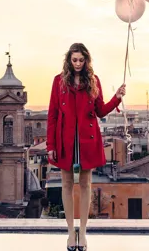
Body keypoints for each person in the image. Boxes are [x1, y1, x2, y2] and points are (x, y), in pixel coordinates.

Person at [46, 43, 126, 251]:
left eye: (81, 60)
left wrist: (116, 97)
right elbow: (52, 115)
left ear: (86, 60)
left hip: (87, 139)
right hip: (64, 139)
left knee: (85, 184)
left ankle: (83, 232)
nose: (78, 64)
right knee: (66, 184)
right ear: (69, 60)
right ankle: (70, 233)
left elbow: (100, 111)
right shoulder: (58, 82)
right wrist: (50, 145)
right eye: (75, 60)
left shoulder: (93, 81)